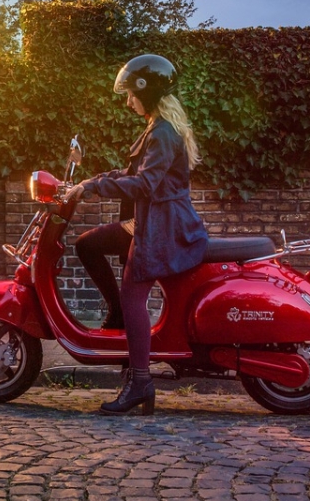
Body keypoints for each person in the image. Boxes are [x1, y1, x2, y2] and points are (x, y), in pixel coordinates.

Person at [65, 54, 209, 415]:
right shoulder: (158, 127)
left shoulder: (162, 132)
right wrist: (92, 181)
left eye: (130, 93)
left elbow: (145, 184)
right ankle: (120, 331)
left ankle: (141, 381)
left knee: (133, 295)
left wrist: (95, 187)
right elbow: (138, 172)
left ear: (148, 90)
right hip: (153, 220)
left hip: (161, 225)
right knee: (93, 248)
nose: (127, 100)